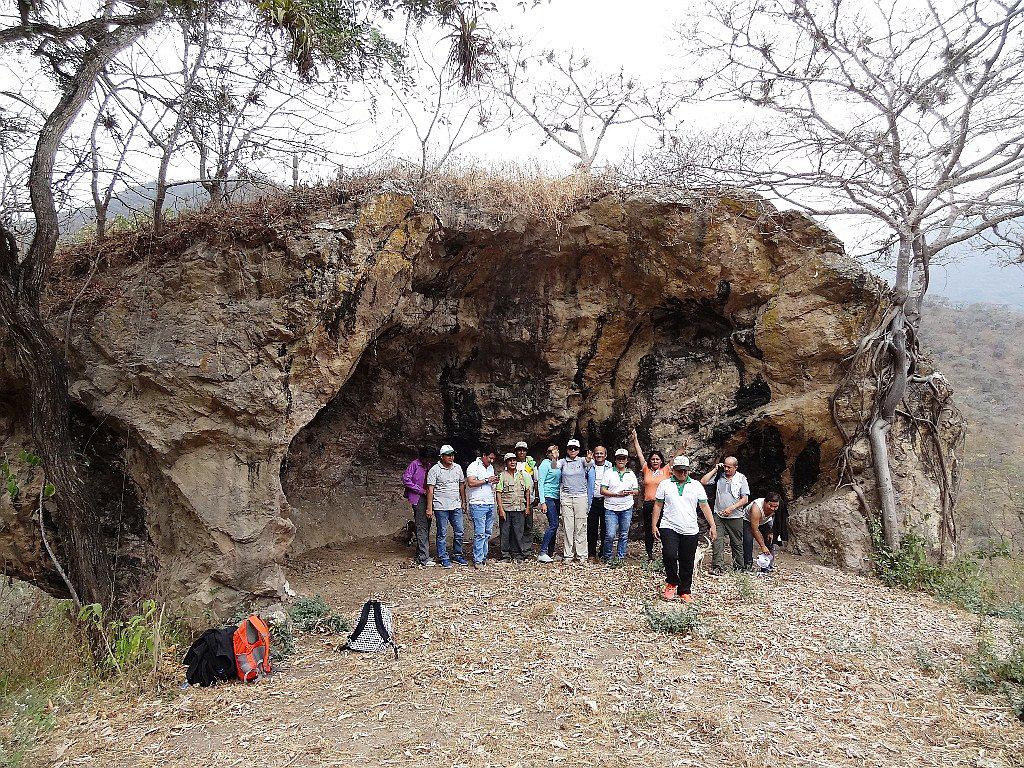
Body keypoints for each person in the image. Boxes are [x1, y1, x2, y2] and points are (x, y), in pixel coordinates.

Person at [653, 456, 717, 602]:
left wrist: (712, 525)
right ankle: (672, 582)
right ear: (673, 470)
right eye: (679, 470)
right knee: (669, 555)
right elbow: (658, 505)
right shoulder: (665, 484)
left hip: (690, 528)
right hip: (669, 525)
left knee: (687, 560)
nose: (683, 473)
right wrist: (654, 524)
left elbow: (704, 506)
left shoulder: (696, 485)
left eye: (685, 471)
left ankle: (684, 591)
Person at [630, 428, 686, 561]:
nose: (655, 461)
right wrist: (635, 439)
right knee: (649, 529)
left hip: (663, 504)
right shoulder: (646, 469)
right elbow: (640, 454)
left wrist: (683, 448)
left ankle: (666, 553)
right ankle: (650, 554)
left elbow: (674, 459)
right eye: (653, 459)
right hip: (649, 504)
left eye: (657, 459)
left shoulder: (666, 470)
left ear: (661, 461)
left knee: (665, 529)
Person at [701, 456, 749, 575]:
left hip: (735, 515)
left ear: (735, 467)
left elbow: (745, 499)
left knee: (736, 542)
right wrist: (715, 470)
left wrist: (732, 508)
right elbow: (703, 481)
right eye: (725, 466)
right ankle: (717, 566)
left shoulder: (741, 478)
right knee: (717, 540)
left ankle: (739, 567)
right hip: (719, 514)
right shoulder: (719, 477)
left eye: (729, 467)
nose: (726, 469)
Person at [425, 445, 468, 569]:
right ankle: (443, 557)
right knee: (442, 533)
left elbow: (461, 485)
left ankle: (457, 554)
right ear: (442, 456)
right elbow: (430, 489)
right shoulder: (435, 470)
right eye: (448, 455)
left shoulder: (457, 468)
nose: (451, 457)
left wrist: (463, 501)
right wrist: (429, 507)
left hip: (455, 505)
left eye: (452, 455)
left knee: (459, 531)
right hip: (441, 506)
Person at [601, 448, 639, 562]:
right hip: (610, 508)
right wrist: (616, 494)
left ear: (627, 460)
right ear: (615, 459)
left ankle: (620, 557)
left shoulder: (631, 474)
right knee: (610, 534)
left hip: (626, 507)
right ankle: (607, 556)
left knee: (623, 534)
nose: (621, 460)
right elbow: (602, 490)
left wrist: (630, 492)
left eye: (623, 458)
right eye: (619, 458)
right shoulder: (608, 472)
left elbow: (636, 490)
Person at [558, 438, 592, 563]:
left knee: (581, 525)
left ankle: (582, 554)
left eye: (575, 448)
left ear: (578, 450)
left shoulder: (582, 460)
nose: (573, 450)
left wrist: (588, 459)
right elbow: (554, 467)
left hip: (581, 496)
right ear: (567, 449)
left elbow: (589, 464)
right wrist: (554, 458)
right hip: (566, 496)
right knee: (568, 526)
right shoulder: (563, 461)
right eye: (570, 448)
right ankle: (568, 554)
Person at [466, 448, 499, 568]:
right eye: (490, 458)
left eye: (493, 458)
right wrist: (487, 480)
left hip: (490, 502)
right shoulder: (473, 466)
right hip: (478, 503)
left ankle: (484, 556)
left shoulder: (490, 468)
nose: (491, 460)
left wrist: (494, 482)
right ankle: (478, 559)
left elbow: (490, 483)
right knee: (479, 533)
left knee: (487, 532)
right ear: (483, 455)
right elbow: (471, 482)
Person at [497, 452, 533, 562]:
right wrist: (500, 509)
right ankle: (505, 555)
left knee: (519, 533)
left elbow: (527, 492)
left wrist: (527, 507)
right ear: (506, 463)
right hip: (506, 509)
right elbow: (498, 492)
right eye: (510, 460)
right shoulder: (502, 476)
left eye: (514, 460)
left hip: (519, 508)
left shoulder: (523, 475)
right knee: (505, 533)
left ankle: (518, 555)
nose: (512, 462)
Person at [403, 447, 435, 567]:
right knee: (422, 526)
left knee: (427, 523)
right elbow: (406, 479)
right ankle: (423, 558)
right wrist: (420, 490)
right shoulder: (415, 464)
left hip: (428, 497)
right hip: (418, 497)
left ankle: (421, 553)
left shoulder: (429, 466)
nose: (428, 460)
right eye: (426, 458)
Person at [535, 444, 562, 563]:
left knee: (554, 525)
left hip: (556, 497)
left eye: (556, 450)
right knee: (553, 524)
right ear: (548, 453)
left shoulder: (556, 464)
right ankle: (542, 552)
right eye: (551, 451)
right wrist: (542, 502)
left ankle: (550, 553)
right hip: (548, 497)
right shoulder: (545, 464)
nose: (554, 453)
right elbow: (540, 483)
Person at [743, 491, 782, 571]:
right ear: (765, 502)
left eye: (775, 507)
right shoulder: (756, 509)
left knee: (770, 541)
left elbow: (778, 521)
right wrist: (762, 546)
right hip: (748, 520)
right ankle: (747, 566)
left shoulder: (778, 506)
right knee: (748, 541)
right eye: (770, 506)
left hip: (766, 520)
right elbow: (755, 530)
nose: (773, 509)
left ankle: (767, 566)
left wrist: (772, 531)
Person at [587, 446, 611, 562]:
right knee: (592, 528)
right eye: (597, 453)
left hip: (607, 501)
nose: (599, 455)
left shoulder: (610, 467)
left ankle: (603, 552)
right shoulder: (589, 465)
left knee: (605, 528)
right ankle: (591, 553)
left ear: (605, 455)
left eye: (601, 453)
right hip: (592, 500)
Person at [513, 441, 538, 553]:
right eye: (519, 450)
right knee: (517, 525)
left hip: (529, 498)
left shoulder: (531, 464)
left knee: (528, 525)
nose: (522, 452)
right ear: (516, 451)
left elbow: (536, 481)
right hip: (515, 499)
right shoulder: (511, 463)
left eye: (524, 450)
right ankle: (517, 549)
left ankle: (526, 549)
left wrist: (536, 497)